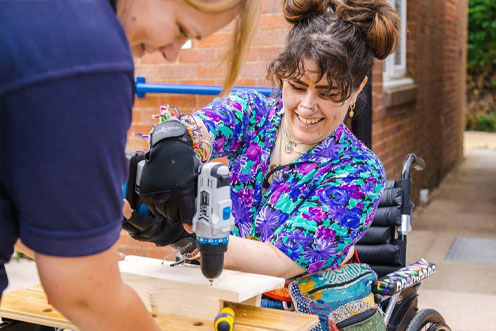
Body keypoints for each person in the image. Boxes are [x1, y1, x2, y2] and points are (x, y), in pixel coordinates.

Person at [0, 0, 259, 330]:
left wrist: (69, 236)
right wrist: (83, 261)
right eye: (181, 29)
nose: (171, 54)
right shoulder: (92, 52)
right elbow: (81, 293)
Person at [123, 0, 400, 282]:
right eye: (297, 86)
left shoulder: (360, 171)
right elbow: (202, 128)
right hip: (225, 289)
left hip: (299, 311)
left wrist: (187, 238)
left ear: (356, 89)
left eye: (327, 93)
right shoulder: (254, 113)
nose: (306, 106)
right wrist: (175, 144)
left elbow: (280, 261)